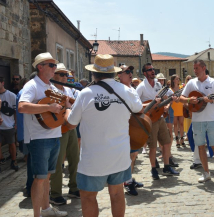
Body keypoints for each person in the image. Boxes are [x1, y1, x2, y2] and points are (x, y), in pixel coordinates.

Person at [64, 54, 142, 217]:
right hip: (119, 154)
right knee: (117, 193)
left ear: (94, 74)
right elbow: (138, 108)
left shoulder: (85, 93)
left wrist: (67, 110)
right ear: (114, 73)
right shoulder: (126, 91)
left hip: (93, 158)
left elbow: (71, 124)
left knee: (88, 196)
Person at [18, 52, 67, 217]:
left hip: (53, 135)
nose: (55, 68)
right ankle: (37, 215)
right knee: (39, 178)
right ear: (40, 67)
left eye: (55, 65)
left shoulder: (51, 87)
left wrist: (66, 106)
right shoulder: (32, 85)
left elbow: (59, 108)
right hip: (39, 138)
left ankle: (46, 210)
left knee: (46, 177)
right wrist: (48, 108)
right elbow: (22, 106)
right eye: (51, 65)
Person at [180, 59, 214, 185]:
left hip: (211, 119)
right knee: (200, 147)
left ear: (203, 68)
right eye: (194, 68)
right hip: (197, 120)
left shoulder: (213, 82)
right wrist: (189, 100)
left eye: (197, 68)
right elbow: (181, 98)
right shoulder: (191, 83)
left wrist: (210, 100)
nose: (195, 71)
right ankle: (206, 173)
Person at [136, 63, 179, 179]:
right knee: (153, 146)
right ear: (145, 73)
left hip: (160, 118)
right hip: (149, 119)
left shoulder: (158, 84)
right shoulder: (141, 87)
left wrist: (173, 98)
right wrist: (150, 104)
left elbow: (169, 94)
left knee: (166, 143)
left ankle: (166, 167)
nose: (152, 71)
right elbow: (135, 103)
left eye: (153, 69)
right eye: (149, 70)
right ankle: (153, 169)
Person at [49, 64, 80, 205]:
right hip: (58, 128)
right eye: (61, 74)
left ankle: (74, 187)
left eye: (65, 75)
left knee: (75, 157)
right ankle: (55, 193)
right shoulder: (50, 89)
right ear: (54, 74)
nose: (64, 77)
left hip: (70, 125)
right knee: (58, 161)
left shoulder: (69, 89)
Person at [117, 65, 144, 196]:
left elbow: (137, 106)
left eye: (131, 71)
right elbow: (137, 108)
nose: (130, 73)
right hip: (125, 126)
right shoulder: (120, 89)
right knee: (128, 155)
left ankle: (129, 178)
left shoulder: (131, 88)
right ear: (119, 75)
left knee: (133, 154)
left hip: (133, 126)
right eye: (127, 71)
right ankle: (126, 182)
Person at [0, 77, 18, 172]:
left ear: (2, 83)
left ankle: (13, 161)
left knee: (11, 144)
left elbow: (16, 111)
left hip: (9, 125)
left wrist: (15, 124)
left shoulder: (11, 95)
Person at [170, 75, 185, 148]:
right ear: (173, 80)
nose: (178, 80)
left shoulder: (181, 88)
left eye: (178, 79)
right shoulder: (170, 89)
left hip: (180, 107)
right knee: (175, 124)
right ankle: (177, 139)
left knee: (181, 124)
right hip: (174, 108)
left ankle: (182, 139)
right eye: (176, 79)